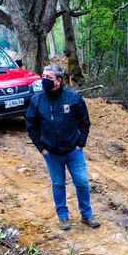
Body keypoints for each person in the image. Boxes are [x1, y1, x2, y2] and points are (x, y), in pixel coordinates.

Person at [25, 64, 100, 231]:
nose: (44, 80)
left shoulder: (73, 98)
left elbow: (84, 122)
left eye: (48, 78)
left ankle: (86, 215)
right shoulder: (37, 100)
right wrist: (42, 148)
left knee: (82, 183)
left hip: (73, 152)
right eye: (43, 76)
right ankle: (63, 216)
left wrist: (80, 144)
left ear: (58, 80)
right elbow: (31, 125)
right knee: (58, 184)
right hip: (51, 153)